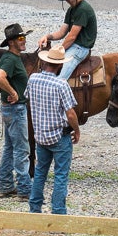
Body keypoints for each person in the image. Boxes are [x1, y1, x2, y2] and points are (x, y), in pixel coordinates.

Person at [25, 45, 80, 215]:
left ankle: (34, 210)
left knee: (40, 172)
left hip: (40, 135)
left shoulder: (33, 79)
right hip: (59, 136)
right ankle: (58, 214)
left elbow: (27, 97)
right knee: (60, 175)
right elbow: (70, 114)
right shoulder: (61, 84)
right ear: (60, 65)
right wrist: (77, 130)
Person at [0, 23, 32, 200]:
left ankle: (6, 185)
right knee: (21, 150)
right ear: (11, 42)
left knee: (9, 148)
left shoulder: (9, 58)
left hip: (9, 110)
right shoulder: (10, 59)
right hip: (16, 110)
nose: (24, 42)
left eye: (24, 38)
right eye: (20, 39)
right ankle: (24, 189)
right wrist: (13, 92)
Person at [38, 0, 97, 82]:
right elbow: (62, 32)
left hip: (81, 48)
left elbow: (72, 37)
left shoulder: (83, 9)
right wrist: (47, 37)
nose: (69, 0)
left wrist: (59, 50)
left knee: (60, 79)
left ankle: (57, 89)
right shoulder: (71, 10)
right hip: (73, 45)